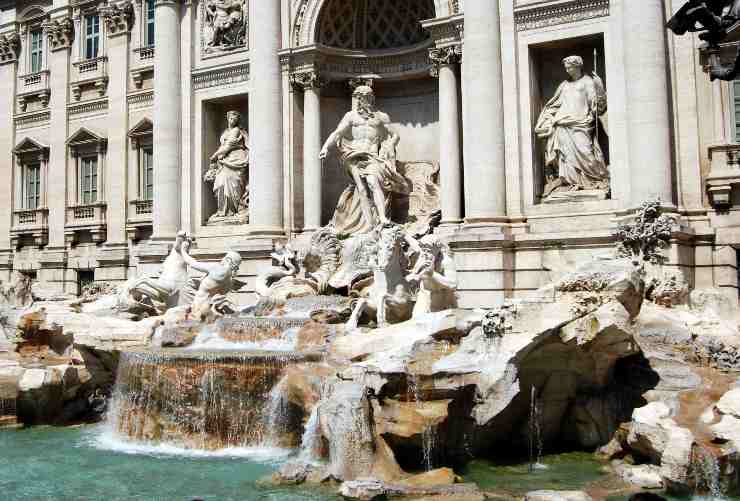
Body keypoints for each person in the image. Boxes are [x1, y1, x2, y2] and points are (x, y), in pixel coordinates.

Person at [319, 85, 410, 234]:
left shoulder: (381, 117)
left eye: (367, 97)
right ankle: (369, 223)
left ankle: (382, 218)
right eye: (361, 98)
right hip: (353, 154)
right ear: (358, 99)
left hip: (372, 155)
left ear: (372, 98)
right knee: (361, 188)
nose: (364, 100)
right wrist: (325, 148)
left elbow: (396, 135)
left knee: (373, 182)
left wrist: (389, 146)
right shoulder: (351, 116)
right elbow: (337, 133)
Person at [535, 55, 609, 199]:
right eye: (566, 67)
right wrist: (549, 118)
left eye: (570, 67)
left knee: (585, 151)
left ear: (577, 66)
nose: (567, 70)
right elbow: (554, 104)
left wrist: (599, 87)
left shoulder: (587, 82)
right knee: (566, 156)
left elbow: (598, 107)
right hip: (563, 124)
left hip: (581, 123)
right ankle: (570, 182)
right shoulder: (564, 85)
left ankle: (594, 178)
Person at [205, 110, 249, 220]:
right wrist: (218, 156)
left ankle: (233, 210)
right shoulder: (225, 132)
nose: (232, 120)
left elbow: (228, 146)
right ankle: (222, 211)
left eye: (235, 119)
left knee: (233, 183)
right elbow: (223, 146)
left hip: (236, 158)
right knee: (220, 184)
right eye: (231, 118)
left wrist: (215, 156)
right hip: (225, 160)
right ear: (227, 119)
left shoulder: (236, 131)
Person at [181, 240, 242, 316]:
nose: (222, 259)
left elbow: (192, 263)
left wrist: (183, 250)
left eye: (224, 257)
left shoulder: (217, 268)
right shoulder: (229, 280)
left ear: (228, 260)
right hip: (209, 308)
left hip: (199, 305)